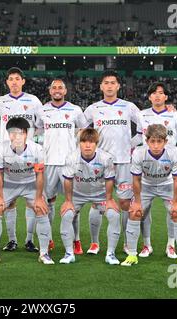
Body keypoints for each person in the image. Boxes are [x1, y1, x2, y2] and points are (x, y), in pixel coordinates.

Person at [0, 67, 43, 252]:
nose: (14, 82)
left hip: (28, 155)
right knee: (10, 202)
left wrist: (33, 141)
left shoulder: (33, 100)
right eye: (11, 79)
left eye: (17, 78)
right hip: (7, 155)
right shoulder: (1, 101)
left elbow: (41, 124)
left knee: (33, 202)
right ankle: (12, 240)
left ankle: (30, 240)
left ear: (23, 81)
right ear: (7, 82)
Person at [83, 70, 141, 255]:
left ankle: (125, 241)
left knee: (125, 203)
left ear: (118, 86)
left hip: (124, 162)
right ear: (101, 86)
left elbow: (143, 127)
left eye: (112, 82)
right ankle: (94, 243)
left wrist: (129, 145)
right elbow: (82, 132)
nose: (109, 86)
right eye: (106, 82)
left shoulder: (128, 107)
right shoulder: (93, 108)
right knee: (97, 203)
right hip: (100, 164)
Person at [121, 124, 177, 269]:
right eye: (152, 141)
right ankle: (132, 255)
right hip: (146, 186)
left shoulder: (174, 153)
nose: (156, 145)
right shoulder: (138, 153)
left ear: (166, 141)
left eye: (159, 141)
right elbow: (136, 180)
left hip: (168, 186)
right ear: (146, 141)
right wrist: (137, 202)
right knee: (135, 212)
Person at [132, 82, 177, 259]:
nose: (157, 96)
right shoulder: (141, 115)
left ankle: (171, 245)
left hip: (169, 170)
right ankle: (146, 244)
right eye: (154, 93)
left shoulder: (175, 115)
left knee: (175, 209)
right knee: (142, 210)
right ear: (149, 97)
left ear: (166, 97)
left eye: (161, 93)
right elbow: (137, 138)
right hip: (147, 170)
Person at [0, 117, 51, 265]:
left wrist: (39, 197)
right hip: (9, 184)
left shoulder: (37, 149)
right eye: (12, 133)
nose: (16, 137)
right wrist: (0, 196)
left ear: (26, 134)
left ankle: (44, 253)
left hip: (31, 184)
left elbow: (39, 175)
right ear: (8, 134)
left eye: (20, 133)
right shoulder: (1, 149)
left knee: (41, 209)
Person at [34, 78, 88, 254]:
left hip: (69, 164)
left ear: (65, 91)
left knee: (72, 204)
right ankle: (49, 238)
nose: (57, 90)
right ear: (50, 91)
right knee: (48, 203)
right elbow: (38, 129)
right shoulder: (42, 111)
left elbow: (85, 129)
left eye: (60, 88)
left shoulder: (75, 110)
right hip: (49, 163)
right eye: (54, 87)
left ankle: (76, 240)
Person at [60, 128, 121, 265]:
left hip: (99, 194)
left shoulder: (106, 158)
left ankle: (110, 254)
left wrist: (109, 200)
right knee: (67, 215)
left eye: (91, 142)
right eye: (84, 141)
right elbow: (68, 180)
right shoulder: (71, 158)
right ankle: (69, 253)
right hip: (78, 194)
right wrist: (68, 201)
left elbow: (109, 179)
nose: (87, 145)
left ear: (96, 144)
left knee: (114, 215)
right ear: (79, 143)